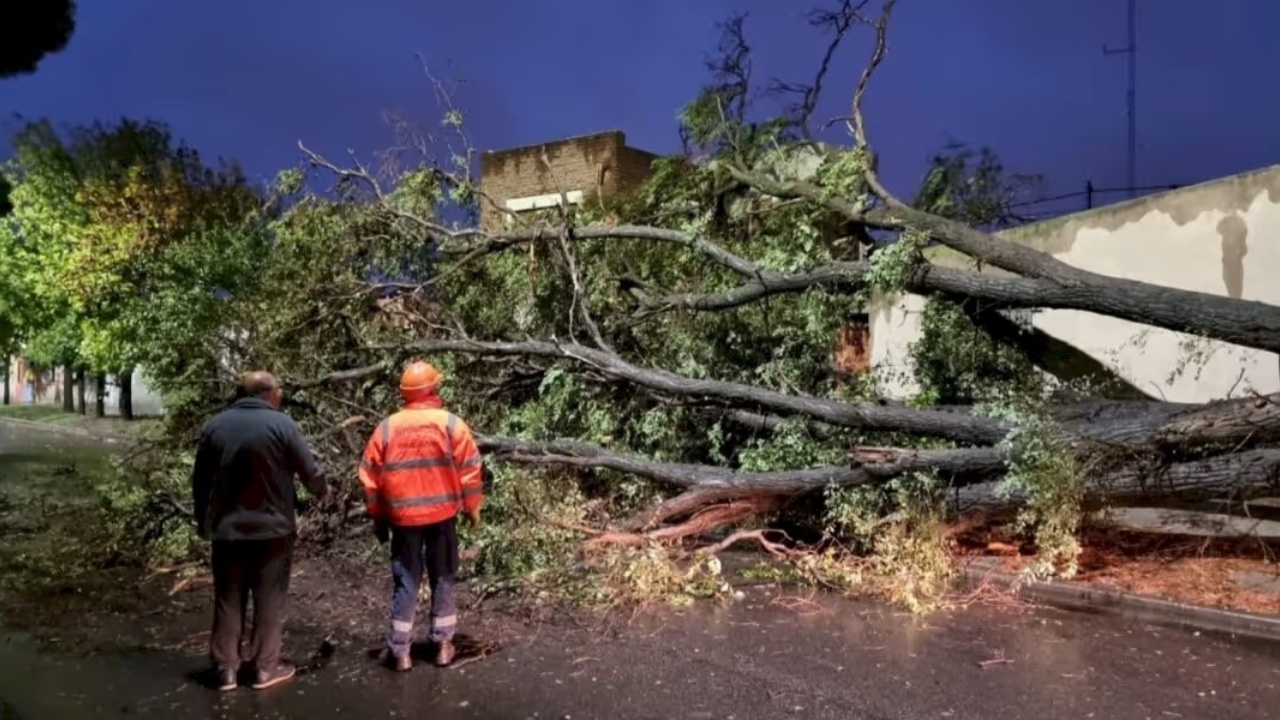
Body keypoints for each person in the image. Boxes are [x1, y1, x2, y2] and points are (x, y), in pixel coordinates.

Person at [191, 371, 329, 692]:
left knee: (228, 599)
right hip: (273, 531)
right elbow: (309, 470)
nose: (281, 394)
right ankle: (265, 668)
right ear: (269, 393)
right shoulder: (283, 425)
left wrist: (203, 520)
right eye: (279, 389)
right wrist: (322, 491)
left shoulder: (215, 426)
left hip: (227, 532)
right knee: (269, 598)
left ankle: (226, 670)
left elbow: (200, 481)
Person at [359, 361, 485, 671]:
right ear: (433, 388)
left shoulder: (387, 428)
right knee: (443, 574)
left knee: (407, 580)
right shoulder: (451, 424)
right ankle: (442, 645)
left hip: (402, 520)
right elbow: (470, 470)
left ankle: (400, 651)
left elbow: (370, 478)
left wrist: (377, 518)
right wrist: (473, 509)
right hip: (442, 516)